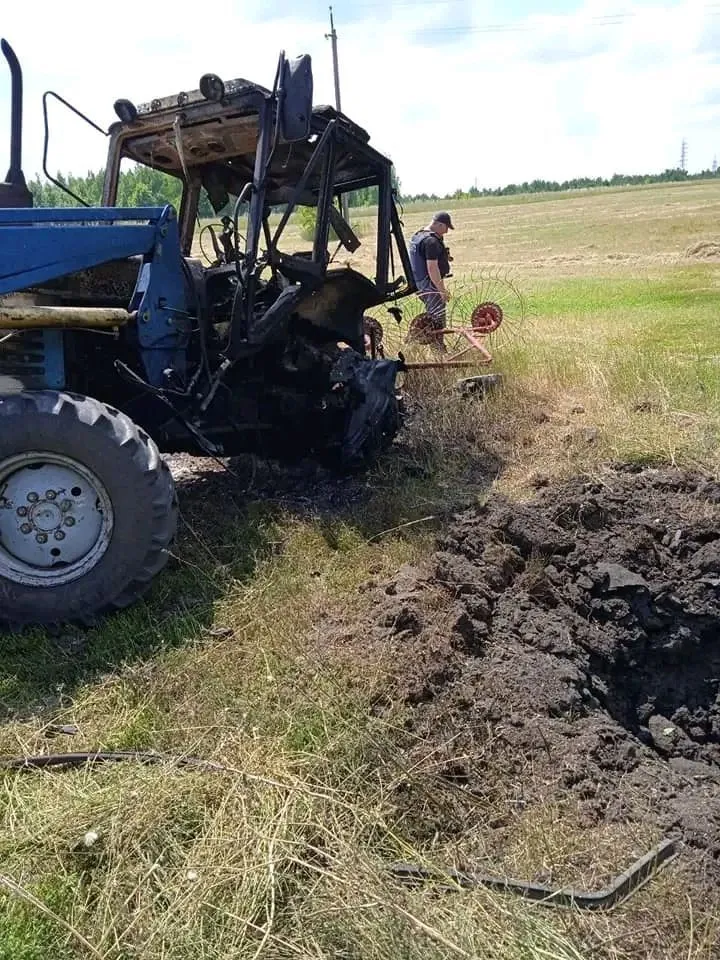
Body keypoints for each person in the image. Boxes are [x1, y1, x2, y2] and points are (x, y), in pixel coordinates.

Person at [407, 211, 454, 349]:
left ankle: (431, 345)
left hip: (419, 281)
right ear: (439, 224)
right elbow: (432, 268)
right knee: (438, 317)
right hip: (429, 283)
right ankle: (438, 351)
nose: (446, 232)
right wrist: (442, 291)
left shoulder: (418, 235)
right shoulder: (431, 241)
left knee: (432, 314)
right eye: (446, 228)